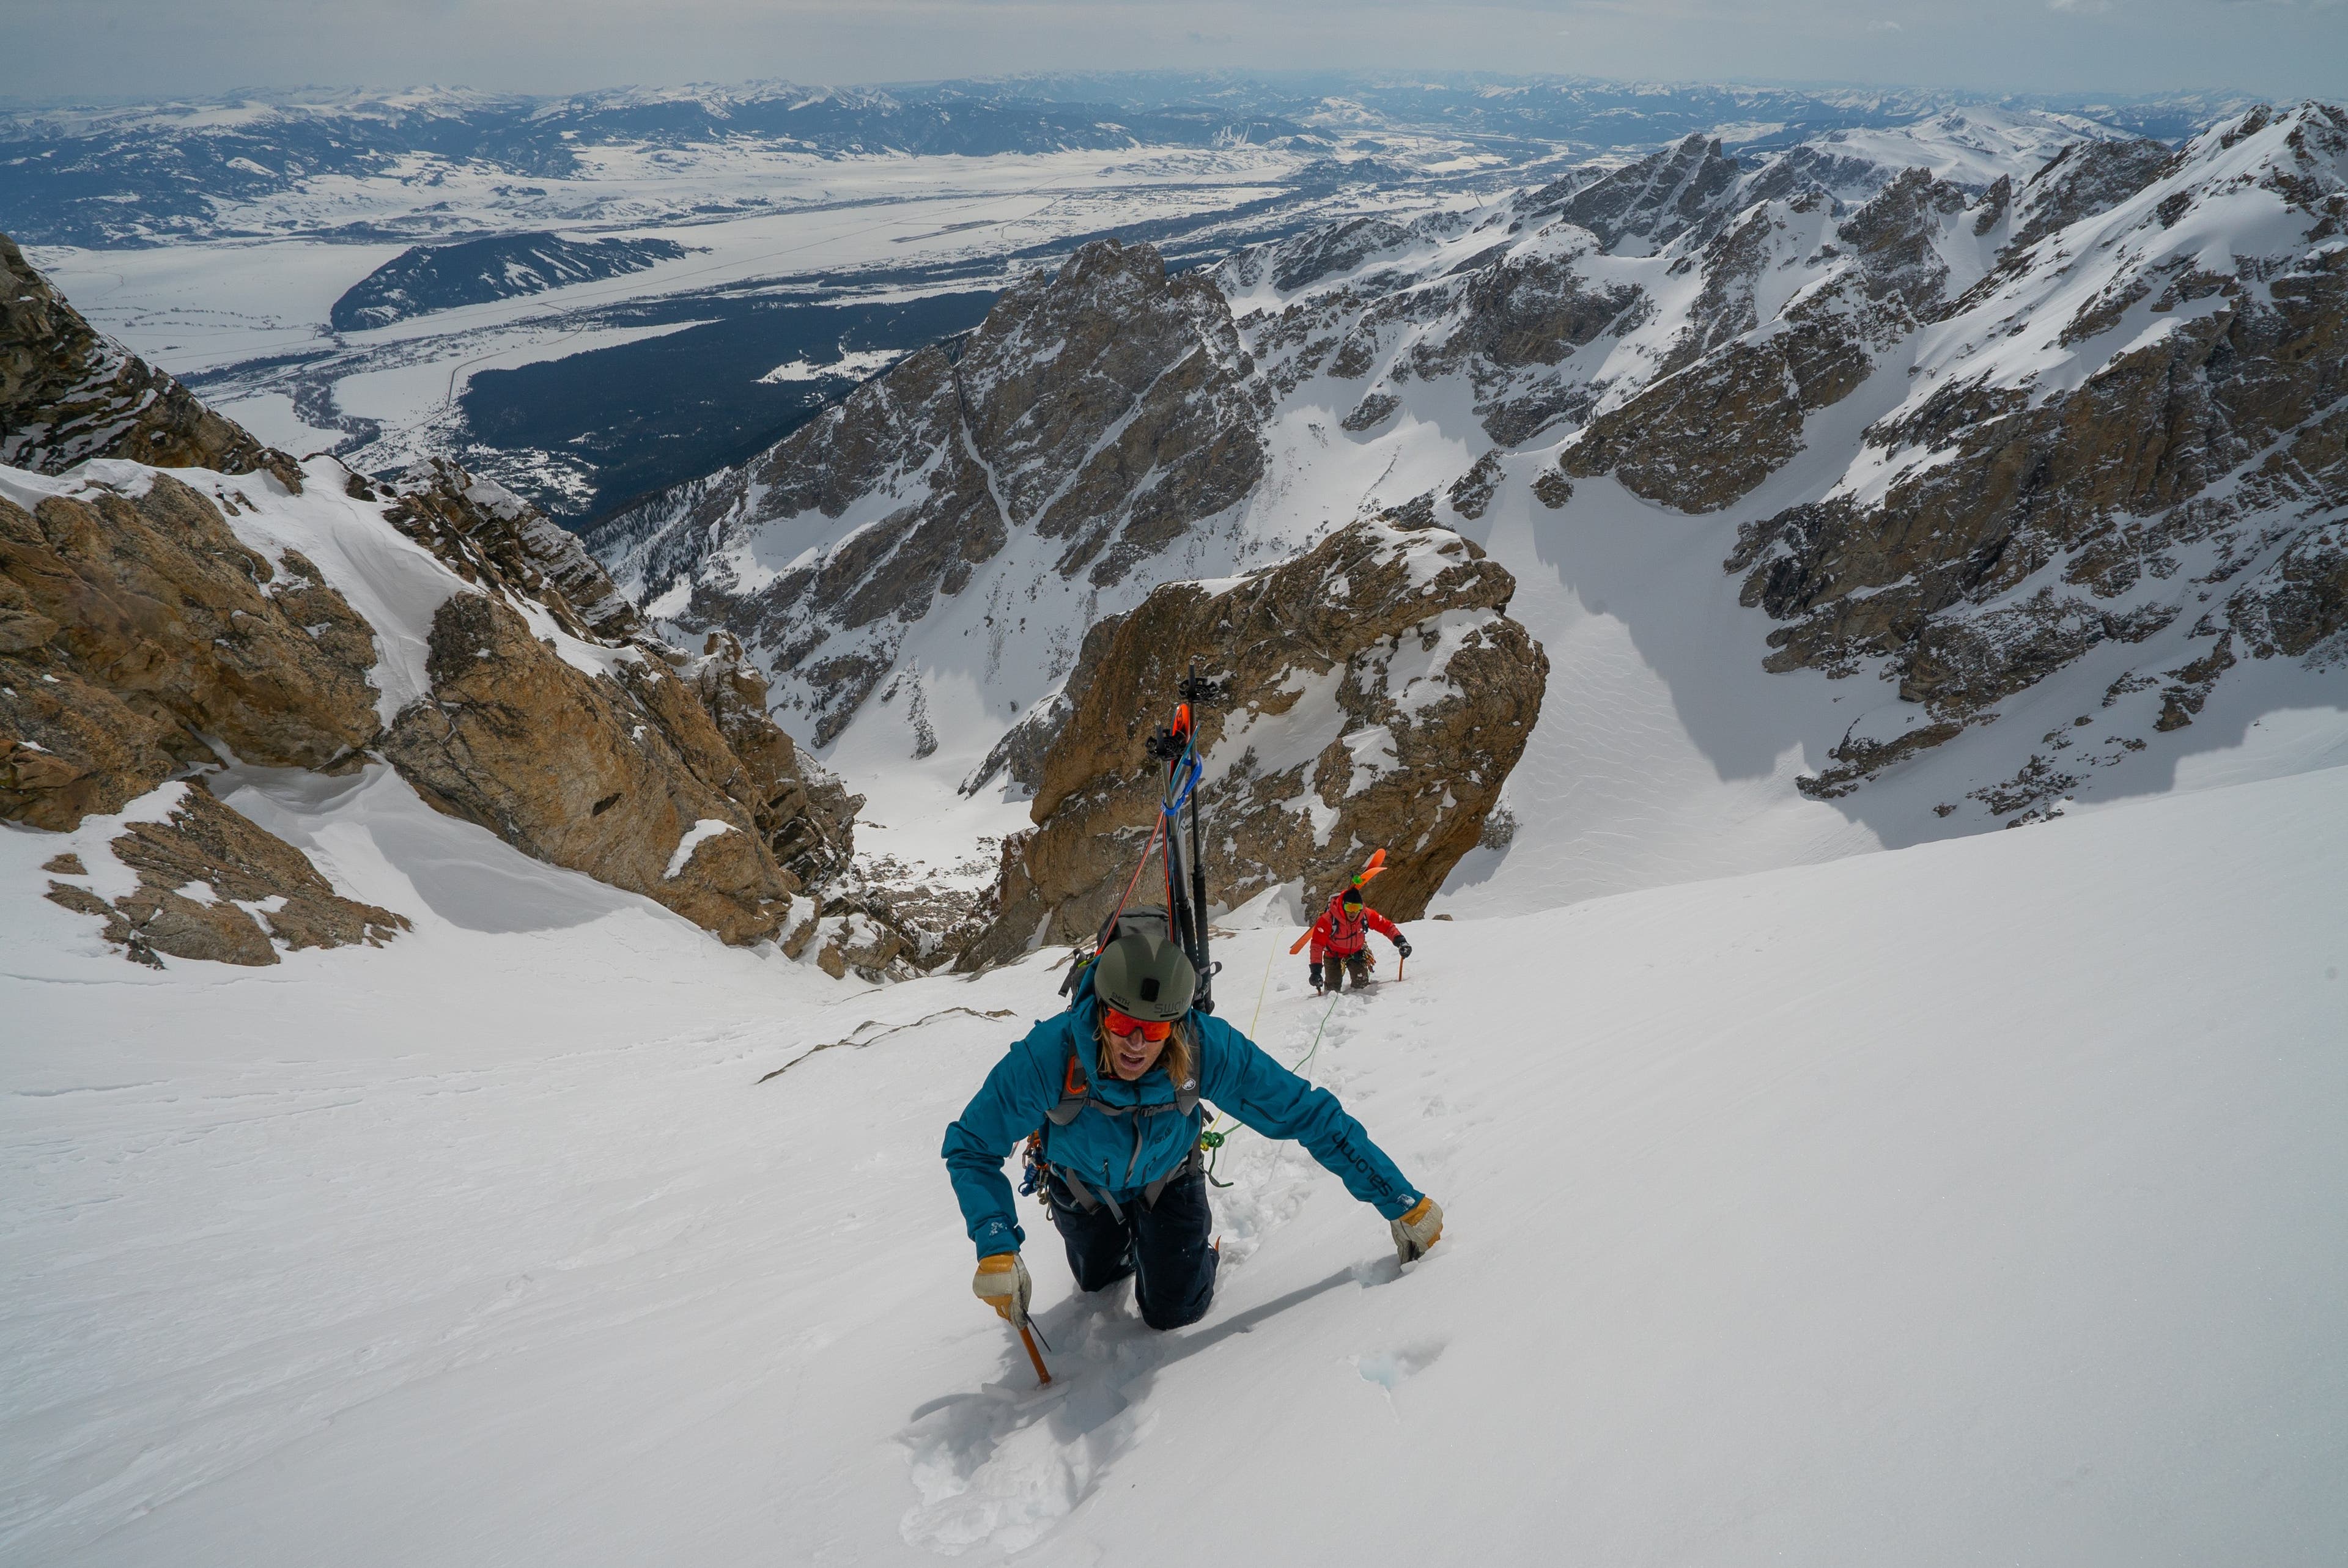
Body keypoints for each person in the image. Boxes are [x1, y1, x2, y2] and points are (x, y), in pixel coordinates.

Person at [943, 915, 1444, 1332]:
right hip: (1083, 1186)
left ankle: (1187, 1254)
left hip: (1167, 1178)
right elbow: (972, 1145)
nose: (1136, 1043)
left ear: (1176, 1024)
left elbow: (1306, 1112)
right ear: (1100, 1012)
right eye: (1121, 1023)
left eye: (1154, 1028)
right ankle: (1136, 1249)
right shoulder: (1051, 1054)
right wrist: (996, 1243)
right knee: (1098, 1281)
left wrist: (1398, 1197)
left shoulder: (1204, 1047)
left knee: (1175, 1310)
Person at [1307, 885, 1411, 993]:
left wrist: (1401, 942)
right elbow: (1317, 945)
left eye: (1357, 908)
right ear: (1342, 906)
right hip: (1333, 954)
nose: (1353, 912)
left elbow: (1386, 927)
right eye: (1349, 908)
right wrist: (1315, 971)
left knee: (1362, 986)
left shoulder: (1365, 915)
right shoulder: (1328, 919)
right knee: (1332, 990)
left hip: (1356, 952)